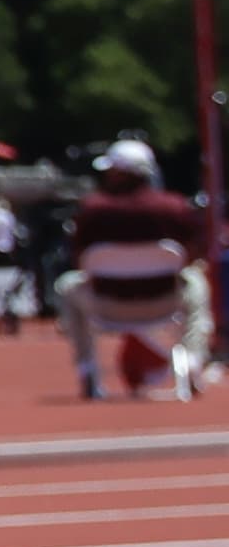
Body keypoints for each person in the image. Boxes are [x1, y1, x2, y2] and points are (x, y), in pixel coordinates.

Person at [54, 137, 213, 399]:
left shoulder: (93, 210)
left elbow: (79, 257)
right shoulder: (173, 207)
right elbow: (193, 252)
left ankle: (86, 368)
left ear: (119, 173)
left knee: (67, 285)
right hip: (165, 302)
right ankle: (193, 360)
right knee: (196, 282)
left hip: (105, 304)